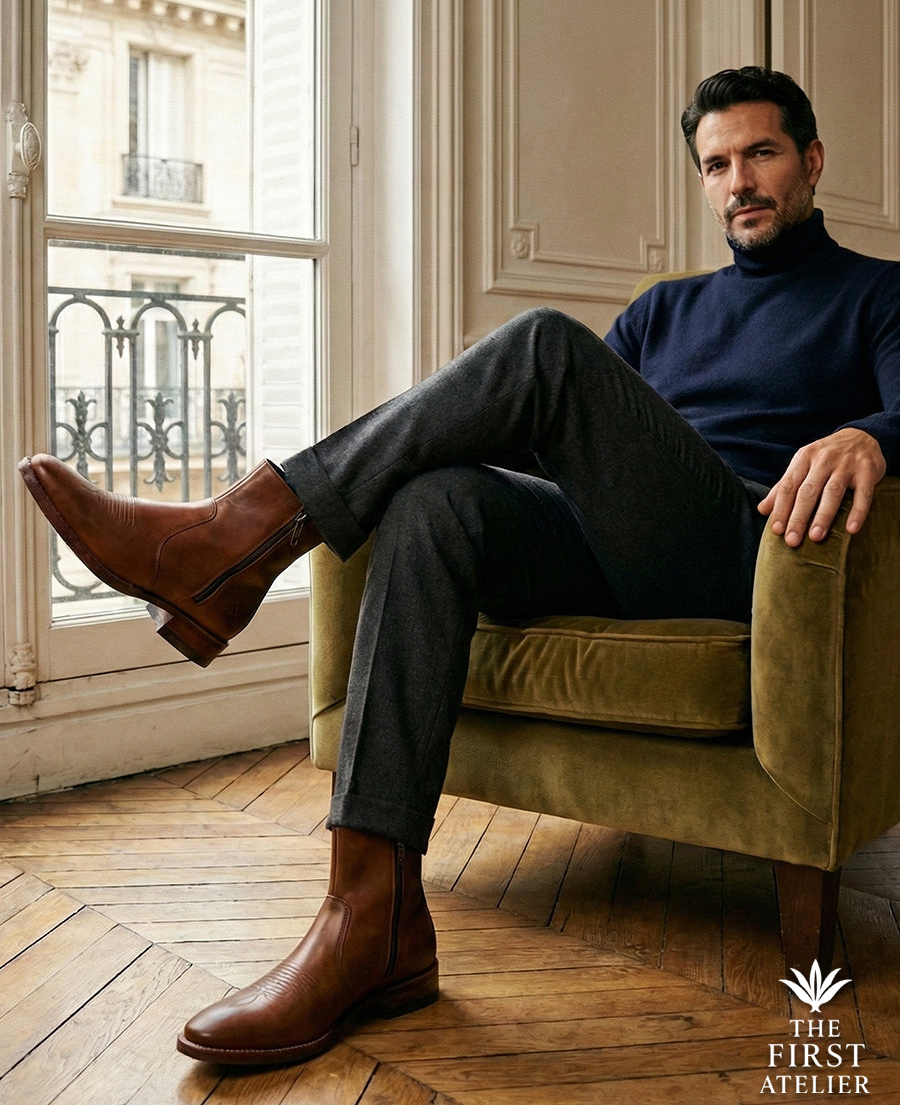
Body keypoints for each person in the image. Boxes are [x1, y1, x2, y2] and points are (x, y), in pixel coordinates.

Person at [18, 67, 900, 1067]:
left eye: (761, 154)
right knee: (436, 504)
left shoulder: (878, 295)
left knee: (540, 348)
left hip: (751, 555)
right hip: (616, 542)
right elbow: (560, 444)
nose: (738, 180)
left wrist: (871, 433)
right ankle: (372, 922)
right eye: (716, 163)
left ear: (812, 161)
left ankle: (229, 542)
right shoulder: (665, 311)